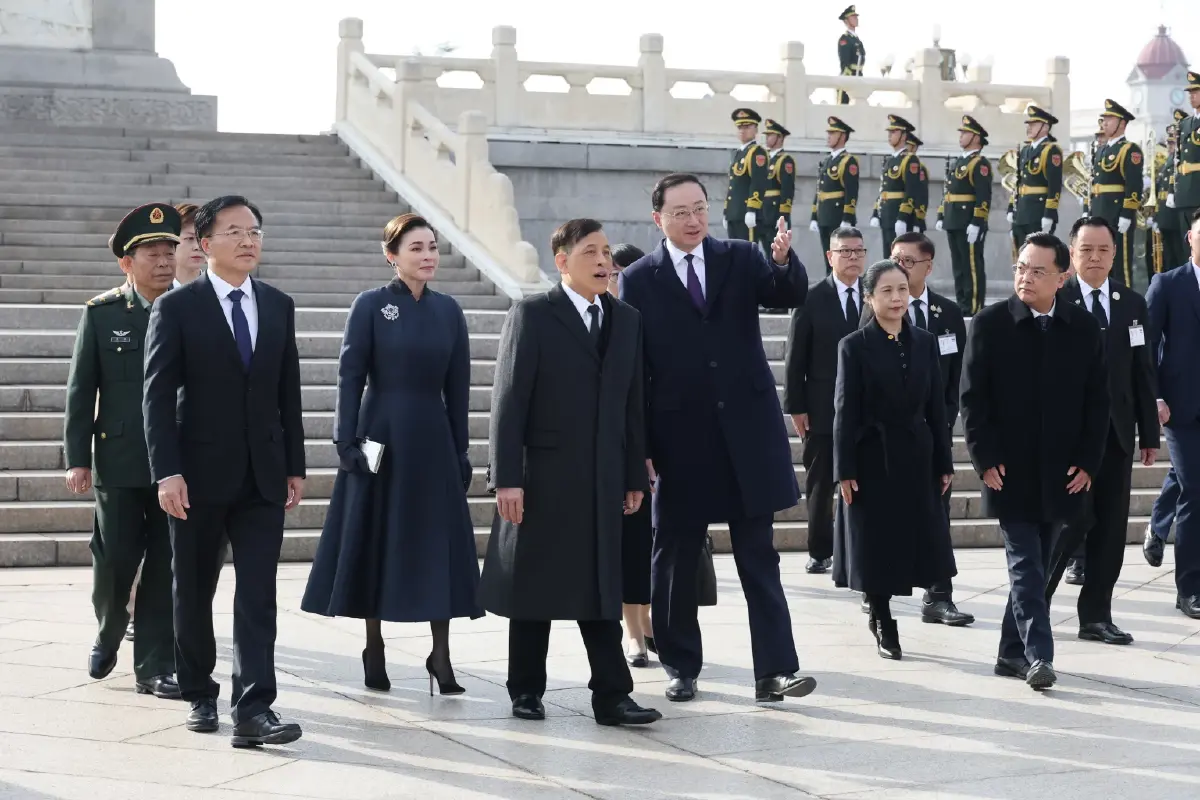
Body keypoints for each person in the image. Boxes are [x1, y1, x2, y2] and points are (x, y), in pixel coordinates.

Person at [620, 173, 817, 704]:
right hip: (680, 441)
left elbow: (788, 293)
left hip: (747, 436)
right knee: (675, 558)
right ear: (658, 218)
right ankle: (680, 665)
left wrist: (782, 260)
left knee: (759, 557)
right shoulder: (638, 279)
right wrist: (641, 447)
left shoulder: (741, 257)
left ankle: (775, 670)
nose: (693, 220)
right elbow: (636, 369)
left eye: (700, 208)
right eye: (680, 212)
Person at [479, 219, 661, 727]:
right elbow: (508, 401)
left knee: (601, 588)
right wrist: (506, 478)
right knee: (533, 586)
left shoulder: (627, 319)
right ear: (562, 261)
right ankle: (525, 690)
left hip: (604, 479)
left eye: (605, 252)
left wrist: (634, 475)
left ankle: (612, 696)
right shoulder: (533, 314)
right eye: (590, 252)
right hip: (542, 477)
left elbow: (632, 405)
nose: (603, 261)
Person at [143, 195, 306, 747]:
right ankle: (198, 690)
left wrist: (294, 465)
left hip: (263, 475)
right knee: (193, 589)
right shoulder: (177, 308)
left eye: (254, 230)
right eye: (234, 231)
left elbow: (288, 392)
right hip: (196, 476)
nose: (247, 240)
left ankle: (255, 709)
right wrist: (167, 471)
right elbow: (156, 398)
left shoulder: (278, 304)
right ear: (205, 243)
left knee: (258, 593)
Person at [301, 213, 482, 693]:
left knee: (438, 543)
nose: (428, 256)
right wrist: (344, 441)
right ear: (391, 255)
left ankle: (441, 656)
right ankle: (374, 646)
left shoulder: (449, 311)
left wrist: (461, 450)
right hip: (379, 435)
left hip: (433, 440)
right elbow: (349, 377)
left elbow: (459, 388)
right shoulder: (370, 305)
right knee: (376, 537)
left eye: (432, 247)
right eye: (416, 248)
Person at [961, 232, 1109, 690]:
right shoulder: (990, 324)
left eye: (1038, 270)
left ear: (1062, 278)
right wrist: (984, 458)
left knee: (1039, 566)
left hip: (1061, 472)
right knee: (1025, 563)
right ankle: (1039, 655)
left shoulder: (1083, 327)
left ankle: (1010, 653)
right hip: (1007, 471)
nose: (1025, 277)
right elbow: (973, 401)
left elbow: (1097, 401)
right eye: (1021, 267)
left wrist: (1088, 461)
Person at [64, 203, 182, 700]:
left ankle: (154, 666)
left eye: (170, 251)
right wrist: (78, 457)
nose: (164, 261)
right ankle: (110, 630)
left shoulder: (193, 308)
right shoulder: (103, 313)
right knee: (114, 561)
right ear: (127, 263)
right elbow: (80, 389)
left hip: (177, 464)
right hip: (120, 458)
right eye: (153, 253)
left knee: (165, 565)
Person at [1043, 217, 1159, 646]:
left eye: (1103, 250)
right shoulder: (1057, 299)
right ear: (1071, 253)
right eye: (1086, 250)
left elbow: (1142, 371)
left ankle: (1096, 615)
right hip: (1070, 439)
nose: (1095, 257)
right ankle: (1033, 608)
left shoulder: (1131, 303)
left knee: (1110, 529)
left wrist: (1149, 433)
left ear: (1114, 253)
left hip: (1116, 436)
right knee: (1068, 525)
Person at [833, 259, 956, 659]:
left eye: (902, 289)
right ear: (869, 297)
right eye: (886, 291)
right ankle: (882, 617)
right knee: (876, 542)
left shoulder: (924, 341)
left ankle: (933, 599)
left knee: (920, 538)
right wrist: (844, 469)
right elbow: (844, 411)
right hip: (872, 457)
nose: (897, 298)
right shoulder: (854, 346)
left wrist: (944, 460)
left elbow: (936, 406)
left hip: (917, 455)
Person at [859, 232, 975, 626]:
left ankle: (939, 597)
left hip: (930, 434)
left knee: (936, 518)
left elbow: (956, 375)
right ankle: (875, 591)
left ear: (928, 266)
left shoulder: (948, 313)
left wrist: (944, 420)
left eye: (909, 261)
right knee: (883, 516)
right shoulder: (878, 310)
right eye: (895, 259)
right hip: (885, 438)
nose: (901, 268)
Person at [784, 227, 866, 575]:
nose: (852, 257)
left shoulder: (877, 294)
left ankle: (861, 549)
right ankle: (820, 551)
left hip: (867, 409)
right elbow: (795, 358)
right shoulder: (812, 298)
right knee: (820, 484)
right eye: (845, 251)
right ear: (830, 256)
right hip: (822, 409)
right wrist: (796, 407)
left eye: (858, 251)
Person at [1146, 210, 1200, 619]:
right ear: (1190, 239)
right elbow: (1147, 346)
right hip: (1180, 406)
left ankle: (1157, 523)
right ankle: (1190, 589)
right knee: (1195, 488)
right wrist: (1155, 397)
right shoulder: (1167, 283)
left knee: (1186, 476)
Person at [609, 243, 655, 667]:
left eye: (622, 272)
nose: (615, 279)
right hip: (618, 449)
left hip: (656, 444)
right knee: (628, 543)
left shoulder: (647, 318)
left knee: (650, 545)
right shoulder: (602, 321)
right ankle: (633, 631)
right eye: (610, 271)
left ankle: (647, 619)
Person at [936, 116, 993, 316]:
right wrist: (942, 215)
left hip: (968, 221)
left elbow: (983, 196)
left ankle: (974, 305)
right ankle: (962, 303)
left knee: (972, 267)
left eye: (965, 133)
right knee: (959, 267)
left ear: (976, 137)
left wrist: (977, 221)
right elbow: (948, 192)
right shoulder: (959, 161)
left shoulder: (979, 164)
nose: (960, 136)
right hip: (954, 220)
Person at [1084, 99, 1142, 288]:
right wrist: (1089, 210)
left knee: (1120, 266)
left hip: (1117, 215)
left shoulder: (1129, 150)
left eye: (1110, 119)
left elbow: (1134, 185)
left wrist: (1127, 213)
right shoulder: (1102, 150)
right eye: (1104, 119)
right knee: (1101, 265)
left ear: (1122, 123)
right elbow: (1095, 185)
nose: (1105, 123)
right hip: (1100, 214)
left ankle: (1125, 304)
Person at [808, 116, 860, 272]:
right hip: (824, 215)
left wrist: (847, 217)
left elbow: (851, 192)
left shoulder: (848, 161)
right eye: (828, 133)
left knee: (841, 260)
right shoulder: (827, 161)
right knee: (829, 259)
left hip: (838, 216)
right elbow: (819, 190)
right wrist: (814, 216)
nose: (828, 136)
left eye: (833, 133)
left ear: (842, 136)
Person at [1008, 105, 1063, 249]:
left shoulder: (1051, 151)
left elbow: (1054, 185)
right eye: (1029, 124)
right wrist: (1011, 208)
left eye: (1034, 124)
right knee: (1022, 258)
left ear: (1045, 127)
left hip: (1038, 213)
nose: (1029, 127)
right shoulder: (1025, 150)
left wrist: (1049, 214)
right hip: (1021, 213)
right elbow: (1018, 182)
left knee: (1038, 257)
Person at [870, 115, 920, 259]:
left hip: (898, 215)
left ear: (904, 136)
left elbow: (911, 191)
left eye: (894, 132)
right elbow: (883, 189)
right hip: (886, 215)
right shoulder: (890, 160)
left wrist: (903, 217)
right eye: (889, 132)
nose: (890, 135)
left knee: (901, 259)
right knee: (888, 259)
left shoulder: (910, 160)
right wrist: (876, 212)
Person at [1167, 71, 1200, 251]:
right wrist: (1172, 190)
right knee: (1186, 246)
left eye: (1195, 92)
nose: (1191, 96)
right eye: (1190, 92)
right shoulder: (1185, 124)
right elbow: (1177, 160)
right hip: (1184, 194)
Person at [1151, 114, 1187, 275]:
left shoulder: (1180, 159)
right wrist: (1156, 215)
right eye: (1169, 142)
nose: (1169, 145)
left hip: (1175, 215)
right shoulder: (1168, 160)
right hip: (1165, 214)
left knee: (1179, 255)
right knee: (1168, 257)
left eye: (1172, 142)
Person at [724, 108, 768, 241]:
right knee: (734, 251)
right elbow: (732, 185)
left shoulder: (757, 152)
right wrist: (727, 211)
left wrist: (752, 209)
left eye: (747, 127)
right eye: (740, 127)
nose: (742, 130)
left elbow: (758, 182)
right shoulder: (737, 153)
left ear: (755, 129)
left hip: (746, 212)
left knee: (747, 251)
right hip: (734, 213)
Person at [759, 119, 796, 247]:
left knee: (777, 251)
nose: (767, 138)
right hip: (762, 212)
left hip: (774, 213)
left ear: (780, 137)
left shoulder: (785, 161)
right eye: (767, 135)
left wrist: (783, 216)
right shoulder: (764, 159)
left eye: (770, 135)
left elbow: (787, 190)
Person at [835, 6, 864, 106]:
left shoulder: (856, 40)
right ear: (846, 21)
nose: (856, 19)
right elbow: (845, 63)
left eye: (856, 16)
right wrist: (848, 79)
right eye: (853, 17)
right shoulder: (845, 39)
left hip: (858, 76)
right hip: (849, 78)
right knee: (843, 107)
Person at [907, 133, 930, 233]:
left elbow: (922, 194)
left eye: (906, 145)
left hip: (912, 218)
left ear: (914, 148)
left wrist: (918, 220)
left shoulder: (919, 168)